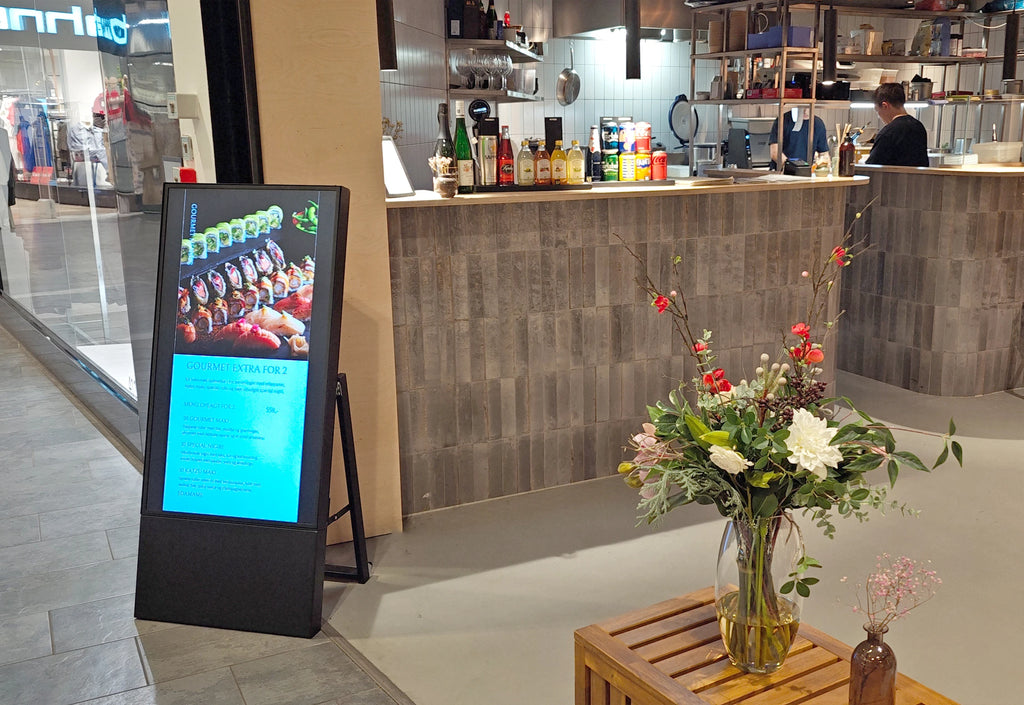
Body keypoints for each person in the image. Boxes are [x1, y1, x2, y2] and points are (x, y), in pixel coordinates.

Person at [865, 83, 929, 167]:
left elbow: (871, 167)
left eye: (877, 111)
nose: (878, 116)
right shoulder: (918, 126)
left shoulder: (888, 133)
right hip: (917, 176)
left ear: (885, 106)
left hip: (893, 176)